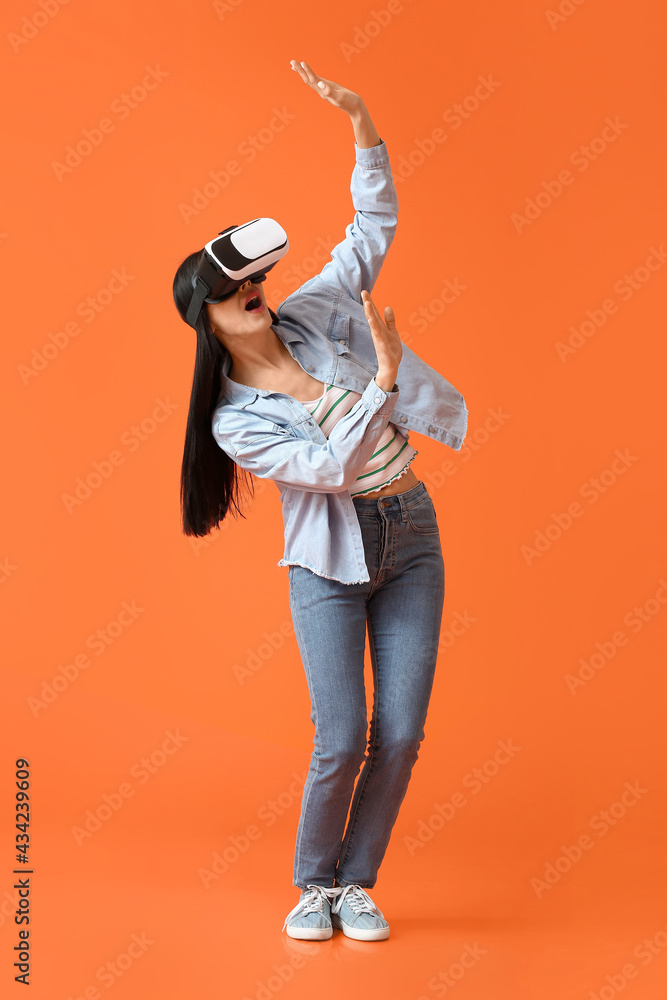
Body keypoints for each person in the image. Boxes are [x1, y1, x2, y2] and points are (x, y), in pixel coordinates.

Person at [172, 60, 468, 942]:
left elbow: (370, 228)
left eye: (248, 282)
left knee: (401, 733)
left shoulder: (314, 310)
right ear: (206, 321)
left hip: (410, 533)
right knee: (340, 736)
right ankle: (313, 884)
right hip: (329, 563)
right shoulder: (236, 421)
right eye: (227, 294)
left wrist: (361, 123)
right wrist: (382, 380)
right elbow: (334, 470)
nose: (248, 293)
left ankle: (355, 885)